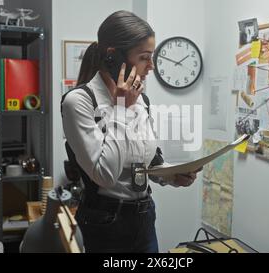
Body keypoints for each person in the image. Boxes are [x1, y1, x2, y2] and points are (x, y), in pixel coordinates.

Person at [61, 11, 201, 253]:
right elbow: (105, 174)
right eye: (145, 57)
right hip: (104, 223)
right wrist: (122, 110)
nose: (152, 67)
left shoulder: (141, 100)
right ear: (113, 57)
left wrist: (170, 175)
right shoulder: (79, 102)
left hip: (144, 217)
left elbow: (145, 160)